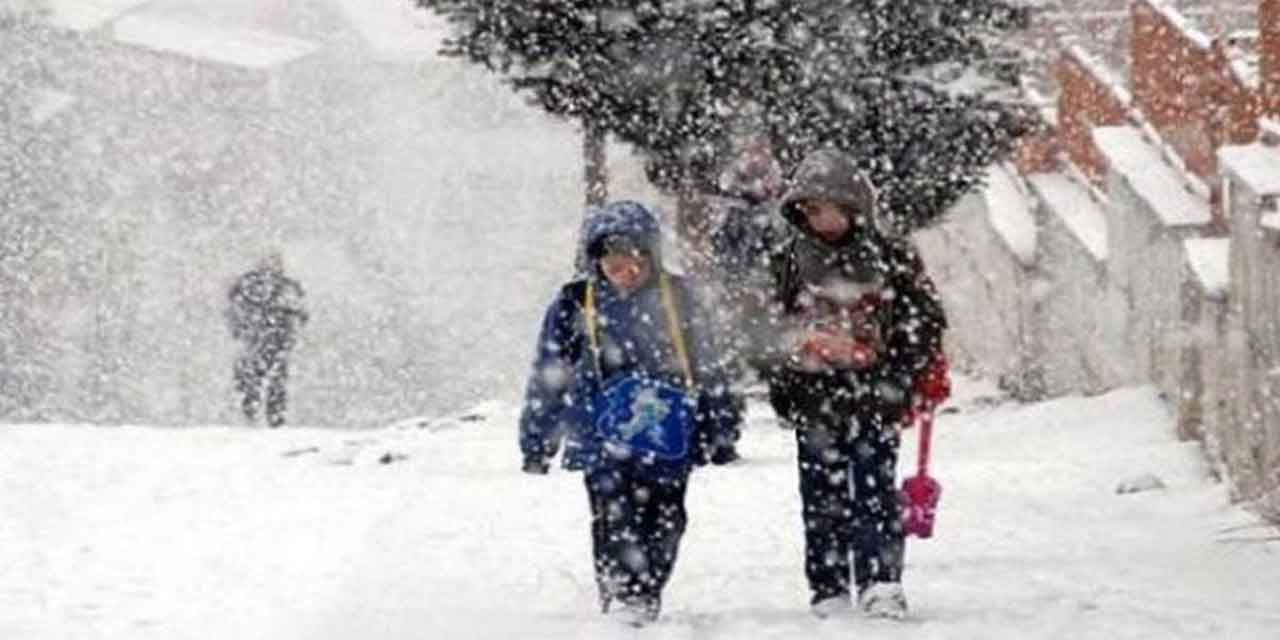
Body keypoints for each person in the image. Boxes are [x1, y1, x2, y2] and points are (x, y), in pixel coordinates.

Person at [731, 149, 948, 619]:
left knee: (874, 490)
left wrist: (903, 372)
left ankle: (881, 580)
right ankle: (828, 583)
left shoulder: (890, 257)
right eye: (808, 211)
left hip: (877, 395)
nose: (818, 219)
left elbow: (923, 320)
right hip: (815, 399)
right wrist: (786, 370)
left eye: (825, 208)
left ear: (852, 206)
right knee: (821, 495)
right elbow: (762, 326)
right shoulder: (787, 261)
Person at [518, 200, 740, 627]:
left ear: (651, 257)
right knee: (612, 514)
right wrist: (538, 439)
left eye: (635, 260)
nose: (625, 271)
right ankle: (623, 590)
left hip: (668, 435)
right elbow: (549, 374)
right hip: (601, 436)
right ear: (596, 260)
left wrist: (721, 426)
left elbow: (711, 365)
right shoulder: (574, 304)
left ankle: (647, 586)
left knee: (667, 515)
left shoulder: (680, 299)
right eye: (613, 262)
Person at [226, 253, 308, 428]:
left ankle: (253, 416)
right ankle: (272, 419)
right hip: (274, 341)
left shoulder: (245, 285)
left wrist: (239, 329)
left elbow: (233, 310)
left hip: (257, 340)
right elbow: (300, 313)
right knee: (274, 381)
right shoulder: (286, 286)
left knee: (252, 380)